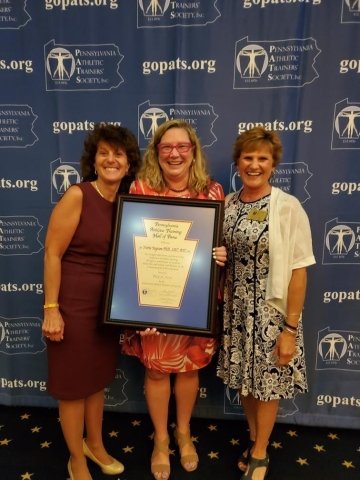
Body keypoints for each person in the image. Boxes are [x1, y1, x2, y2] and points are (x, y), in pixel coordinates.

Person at [122, 119, 227, 480]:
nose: (175, 153)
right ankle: (161, 439)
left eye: (182, 146)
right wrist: (136, 305)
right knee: (155, 368)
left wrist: (220, 256)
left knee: (189, 367)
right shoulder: (141, 189)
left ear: (193, 152)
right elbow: (127, 250)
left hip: (193, 302)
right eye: (166, 147)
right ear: (157, 153)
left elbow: (221, 245)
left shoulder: (212, 193)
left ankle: (183, 432)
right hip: (152, 302)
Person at [41, 124, 141, 480]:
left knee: (96, 381)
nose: (111, 159)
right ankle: (76, 459)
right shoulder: (78, 195)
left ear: (129, 164)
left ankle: (94, 445)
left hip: (108, 310)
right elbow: (53, 253)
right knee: (72, 388)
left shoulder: (129, 203)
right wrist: (51, 310)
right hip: (73, 304)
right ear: (93, 160)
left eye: (118, 154)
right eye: (104, 153)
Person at [216, 127, 315, 480]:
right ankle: (257, 438)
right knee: (246, 381)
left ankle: (259, 454)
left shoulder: (287, 208)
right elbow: (225, 252)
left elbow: (299, 273)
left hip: (272, 315)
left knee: (268, 385)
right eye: (248, 157)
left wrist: (290, 329)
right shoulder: (227, 204)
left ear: (273, 164)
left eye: (262, 158)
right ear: (237, 162)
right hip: (237, 310)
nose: (254, 165)